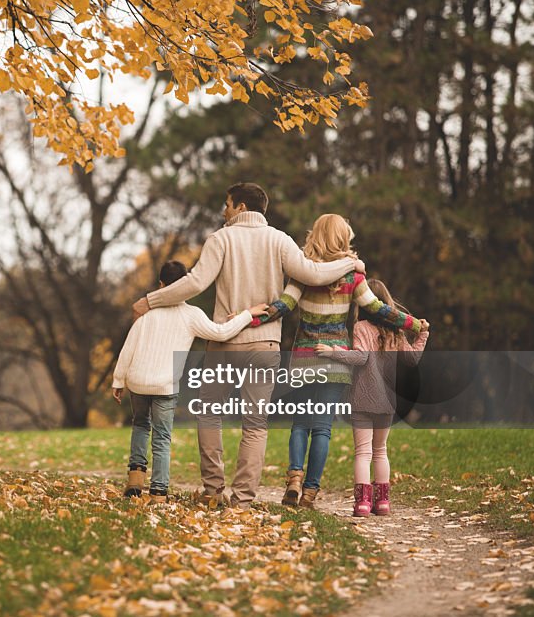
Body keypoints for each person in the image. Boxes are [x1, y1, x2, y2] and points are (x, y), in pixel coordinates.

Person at [132, 183, 364, 509]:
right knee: (255, 424)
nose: (223, 211)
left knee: (209, 414)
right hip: (265, 345)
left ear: (241, 206)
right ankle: (243, 500)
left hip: (225, 343)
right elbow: (312, 273)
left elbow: (195, 283)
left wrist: (150, 300)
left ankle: (213, 490)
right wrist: (350, 264)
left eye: (227, 204)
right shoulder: (280, 240)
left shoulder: (220, 239)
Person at [250, 214, 422, 510]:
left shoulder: (302, 274)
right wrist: (412, 324)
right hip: (337, 362)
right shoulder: (354, 278)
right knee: (322, 428)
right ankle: (309, 493)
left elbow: (283, 307)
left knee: (300, 425)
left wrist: (249, 318)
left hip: (305, 357)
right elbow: (379, 309)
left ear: (315, 236)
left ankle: (293, 478)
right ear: (344, 239)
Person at [114, 260, 268, 502]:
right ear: (185, 286)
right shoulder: (191, 315)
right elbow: (221, 333)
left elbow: (129, 346)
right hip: (165, 385)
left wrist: (118, 380)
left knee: (141, 425)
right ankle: (158, 493)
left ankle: (135, 480)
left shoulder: (147, 313)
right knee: (162, 437)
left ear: (161, 285)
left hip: (138, 382)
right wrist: (246, 315)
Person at [315, 278, 430, 516]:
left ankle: (363, 503)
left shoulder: (360, 328)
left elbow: (361, 358)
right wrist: (422, 336)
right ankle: (383, 502)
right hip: (388, 400)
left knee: (363, 453)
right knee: (381, 451)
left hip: (362, 399)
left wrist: (333, 352)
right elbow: (412, 360)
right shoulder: (396, 332)